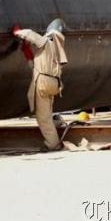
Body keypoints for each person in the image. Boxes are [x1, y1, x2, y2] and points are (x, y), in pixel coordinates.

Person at [14, 18, 68, 152]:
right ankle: (53, 137)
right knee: (47, 114)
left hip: (43, 83)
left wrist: (17, 32)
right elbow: (39, 64)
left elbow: (31, 35)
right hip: (53, 83)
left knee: (43, 117)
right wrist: (27, 53)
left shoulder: (48, 41)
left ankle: (53, 144)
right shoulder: (58, 46)